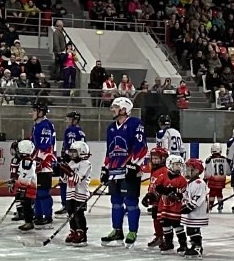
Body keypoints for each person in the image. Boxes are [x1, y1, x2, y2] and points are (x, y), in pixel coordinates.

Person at [100, 97, 147, 247]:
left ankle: (132, 231)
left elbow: (142, 147)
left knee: (131, 202)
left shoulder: (135, 124)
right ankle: (117, 230)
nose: (112, 109)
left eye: (115, 107)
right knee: (116, 202)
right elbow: (110, 150)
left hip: (130, 170)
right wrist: (105, 168)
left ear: (124, 109)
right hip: (114, 170)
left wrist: (134, 165)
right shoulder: (111, 128)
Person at [56, 140, 92, 246]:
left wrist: (67, 169)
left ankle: (81, 232)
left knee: (78, 214)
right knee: (70, 213)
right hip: (70, 192)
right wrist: (62, 170)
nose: (71, 154)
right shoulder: (71, 163)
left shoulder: (86, 164)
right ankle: (73, 231)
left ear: (82, 152)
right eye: (71, 152)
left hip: (80, 193)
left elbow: (77, 179)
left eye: (74, 152)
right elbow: (65, 180)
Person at [154, 154, 189, 253]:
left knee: (177, 226)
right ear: (169, 165)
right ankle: (168, 243)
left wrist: (177, 195)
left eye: (179, 165)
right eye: (176, 164)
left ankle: (183, 244)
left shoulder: (182, 180)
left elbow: (183, 192)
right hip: (164, 207)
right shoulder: (163, 177)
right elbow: (157, 187)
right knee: (165, 225)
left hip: (176, 208)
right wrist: (166, 191)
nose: (179, 167)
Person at [30, 100, 56, 227]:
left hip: (44, 165)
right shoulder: (37, 125)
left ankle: (48, 216)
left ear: (41, 112)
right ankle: (39, 215)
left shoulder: (45, 126)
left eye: (34, 110)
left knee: (43, 192)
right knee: (36, 192)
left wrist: (39, 161)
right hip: (36, 163)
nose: (32, 113)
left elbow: (46, 147)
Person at [56, 111, 86, 216]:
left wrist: (64, 158)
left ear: (75, 120)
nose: (66, 121)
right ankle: (73, 205)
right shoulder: (81, 131)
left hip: (69, 161)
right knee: (73, 183)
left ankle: (66, 205)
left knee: (64, 183)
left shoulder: (70, 131)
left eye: (69, 119)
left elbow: (68, 147)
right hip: (77, 161)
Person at [180, 158, 208, 258]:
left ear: (196, 170)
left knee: (194, 229)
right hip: (191, 212)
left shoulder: (199, 183)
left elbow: (198, 197)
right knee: (190, 229)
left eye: (189, 168)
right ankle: (193, 245)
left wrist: (190, 206)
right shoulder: (190, 182)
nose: (187, 170)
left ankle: (198, 247)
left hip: (197, 212)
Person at [142, 146, 168, 248]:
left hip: (162, 200)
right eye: (153, 158)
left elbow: (164, 186)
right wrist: (149, 195)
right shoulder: (155, 169)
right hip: (155, 200)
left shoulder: (164, 170)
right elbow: (153, 184)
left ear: (163, 159)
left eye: (157, 158)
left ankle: (165, 237)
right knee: (155, 217)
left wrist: (156, 195)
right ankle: (159, 236)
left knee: (162, 219)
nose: (154, 160)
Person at [14, 139, 38, 232]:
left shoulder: (27, 162)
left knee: (27, 205)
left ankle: (29, 222)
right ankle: (28, 221)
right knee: (25, 204)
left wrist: (21, 187)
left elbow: (27, 176)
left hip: (28, 188)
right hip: (27, 187)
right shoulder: (26, 160)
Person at [204, 143, 230, 213]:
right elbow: (228, 172)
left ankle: (210, 205)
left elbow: (208, 172)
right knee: (219, 192)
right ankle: (220, 204)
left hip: (212, 180)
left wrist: (205, 178)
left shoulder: (209, 159)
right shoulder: (225, 159)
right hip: (221, 180)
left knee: (212, 193)